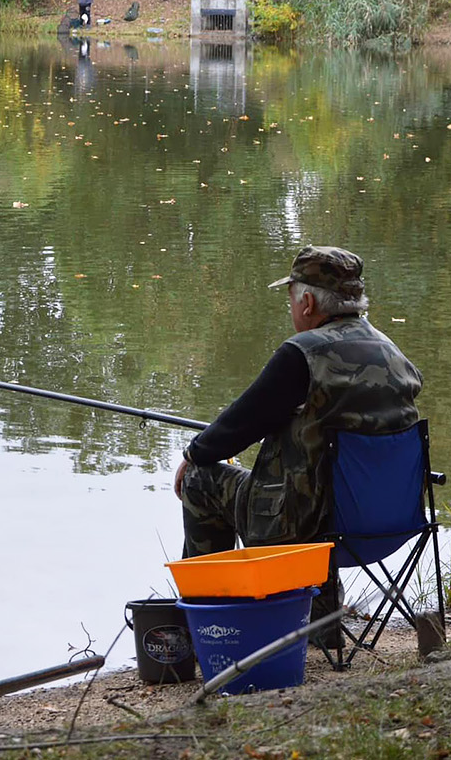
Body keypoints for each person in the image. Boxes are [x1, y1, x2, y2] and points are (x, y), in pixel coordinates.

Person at [173, 245, 423, 643]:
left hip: (302, 527)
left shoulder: (301, 355)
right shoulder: (391, 351)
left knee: (201, 480)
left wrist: (194, 453)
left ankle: (210, 624)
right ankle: (322, 625)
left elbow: (242, 421)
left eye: (290, 297)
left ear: (307, 302)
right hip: (388, 522)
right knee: (327, 485)